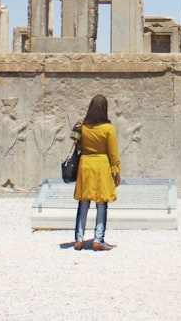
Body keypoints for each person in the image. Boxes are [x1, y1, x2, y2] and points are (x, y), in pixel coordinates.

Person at [72, 94, 121, 251]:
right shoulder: (108, 128)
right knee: (101, 203)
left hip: (85, 164)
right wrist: (117, 170)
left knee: (83, 203)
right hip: (101, 165)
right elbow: (113, 152)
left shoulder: (82, 126)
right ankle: (98, 239)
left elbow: (76, 143)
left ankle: (78, 239)